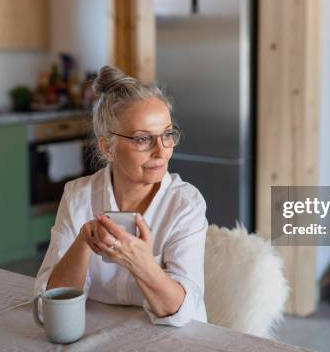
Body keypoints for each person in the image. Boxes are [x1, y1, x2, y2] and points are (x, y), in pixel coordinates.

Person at [34, 66, 208, 326]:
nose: (162, 152)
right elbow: (47, 306)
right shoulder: (78, 197)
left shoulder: (185, 204)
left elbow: (182, 311)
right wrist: (83, 241)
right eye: (142, 140)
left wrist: (140, 263)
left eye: (167, 135)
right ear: (107, 148)